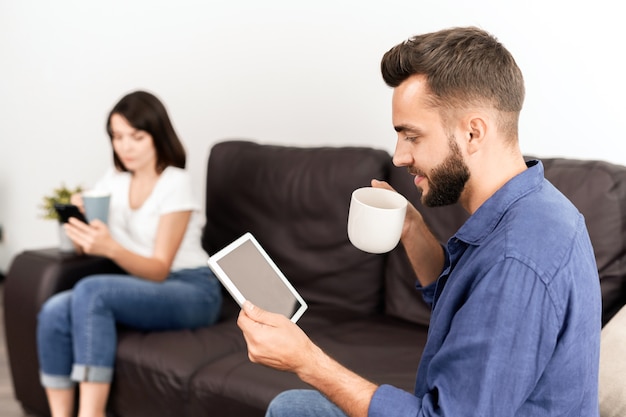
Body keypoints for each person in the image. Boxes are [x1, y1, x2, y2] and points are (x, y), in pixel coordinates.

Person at [237, 26, 602, 416]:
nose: (398, 156)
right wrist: (410, 228)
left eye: (411, 136)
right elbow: (466, 302)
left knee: (292, 409)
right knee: (295, 407)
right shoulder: (534, 208)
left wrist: (307, 361)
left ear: (473, 132)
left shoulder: (518, 260)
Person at [36, 90, 222, 417]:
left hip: (193, 289)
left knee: (92, 291)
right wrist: (80, 225)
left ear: (157, 136)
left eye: (136, 136)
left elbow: (160, 268)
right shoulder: (114, 181)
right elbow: (92, 244)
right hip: (140, 284)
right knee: (53, 310)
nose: (125, 146)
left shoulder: (175, 182)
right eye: (117, 137)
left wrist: (110, 247)